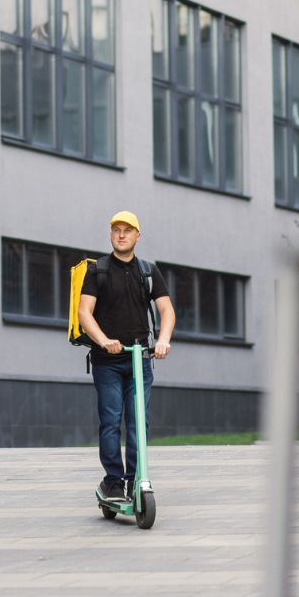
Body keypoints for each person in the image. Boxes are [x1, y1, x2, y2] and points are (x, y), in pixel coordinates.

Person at [78, 211, 175, 501]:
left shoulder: (148, 271)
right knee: (111, 420)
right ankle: (113, 482)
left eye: (127, 230)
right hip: (107, 362)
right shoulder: (98, 270)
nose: (121, 235)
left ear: (137, 236)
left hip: (140, 359)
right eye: (116, 230)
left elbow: (167, 310)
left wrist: (163, 340)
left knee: (138, 422)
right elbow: (85, 313)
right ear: (110, 235)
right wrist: (104, 341)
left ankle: (135, 479)